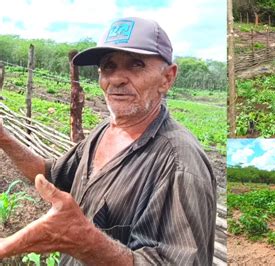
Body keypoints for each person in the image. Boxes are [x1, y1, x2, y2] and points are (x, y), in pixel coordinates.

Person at [0, 17, 216, 265]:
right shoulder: (105, 129)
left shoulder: (179, 163)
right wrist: (3, 138)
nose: (116, 79)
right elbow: (52, 175)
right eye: (108, 66)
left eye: (136, 65)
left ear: (167, 78)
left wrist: (87, 241)